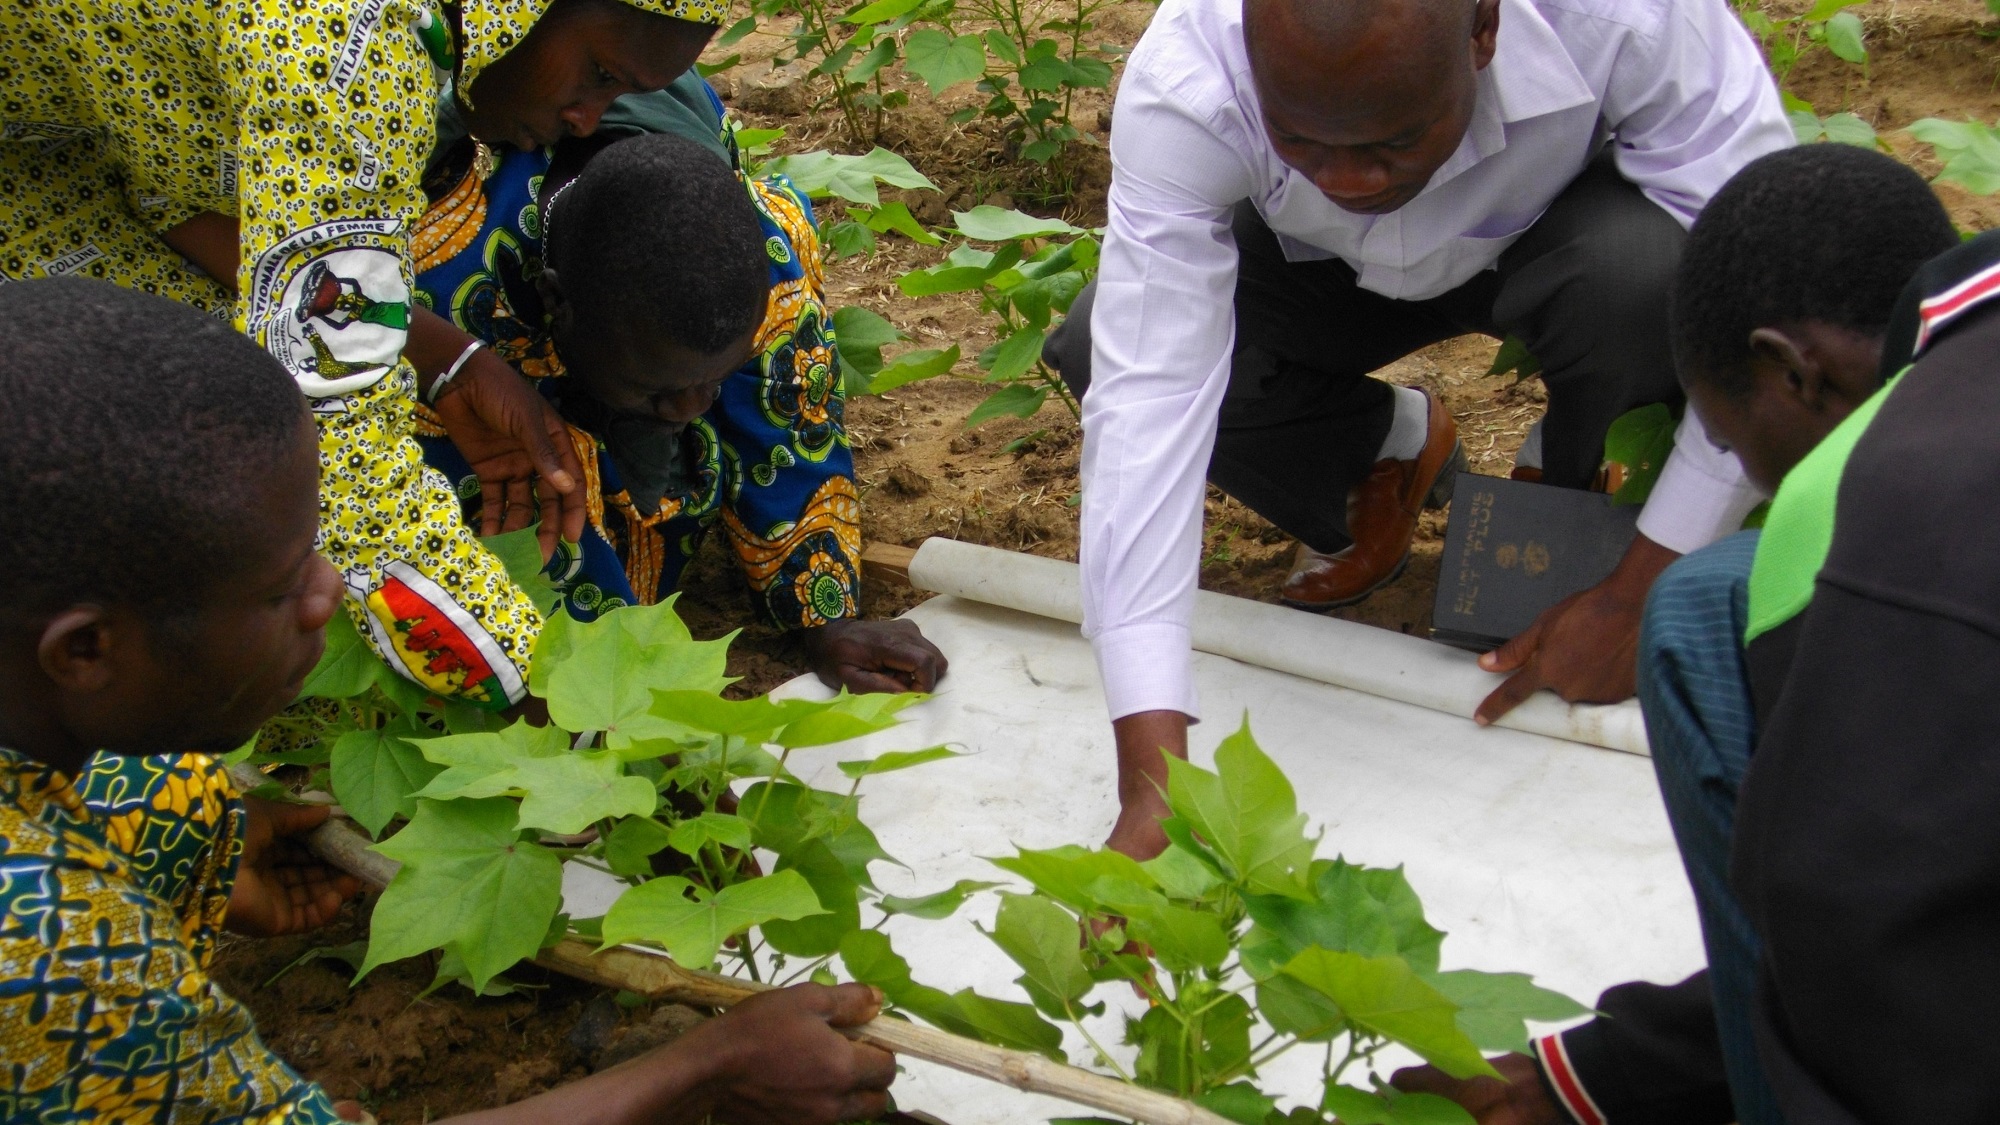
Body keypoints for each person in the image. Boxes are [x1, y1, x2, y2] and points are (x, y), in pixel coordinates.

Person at [0, 276, 898, 1125]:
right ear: (84, 649)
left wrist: (194, 833)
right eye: (279, 592)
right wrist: (703, 1065)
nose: (329, 596)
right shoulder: (62, 959)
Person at [1041, 0, 1792, 858]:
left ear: (1483, 28)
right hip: (1324, 268)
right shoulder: (1192, 77)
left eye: (1393, 140)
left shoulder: (1631, 21)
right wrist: (1153, 781)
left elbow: (1765, 295)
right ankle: (1383, 452)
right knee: (1102, 341)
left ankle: (1581, 484)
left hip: (1568, 237)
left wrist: (1639, 590)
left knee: (1645, 283)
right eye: (1302, 141)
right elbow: (1150, 401)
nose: (1353, 180)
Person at [1385, 144, 1963, 1124]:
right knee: (1707, 599)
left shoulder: (1873, 541)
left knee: (1713, 617)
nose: (1759, 486)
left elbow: (1886, 942)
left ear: (1790, 371)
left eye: (1733, 448)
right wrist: (1594, 1082)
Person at [2, 0, 733, 713]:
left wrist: (445, 356)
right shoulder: (340, 47)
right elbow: (339, 453)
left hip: (68, 145)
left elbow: (169, 191)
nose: (584, 118)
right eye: (599, 72)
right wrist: (545, 694)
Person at [408, 84, 946, 691]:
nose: (694, 407)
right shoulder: (449, 287)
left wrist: (825, 619)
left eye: (715, 378)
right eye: (661, 390)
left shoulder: (765, 248)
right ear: (557, 303)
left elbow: (786, 412)